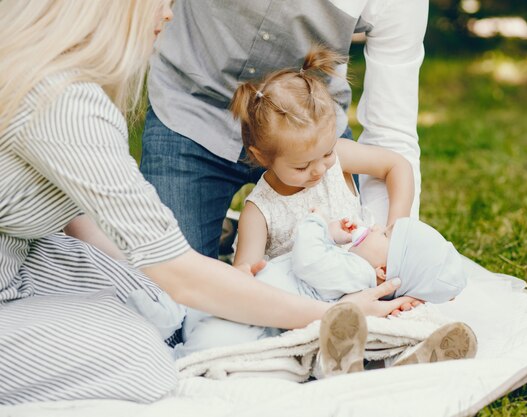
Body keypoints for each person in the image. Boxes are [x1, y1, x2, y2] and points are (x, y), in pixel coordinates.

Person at [0, 0, 413, 405]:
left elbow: (83, 218)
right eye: (158, 1)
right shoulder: (68, 106)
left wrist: (158, 269)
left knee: (162, 306)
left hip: (19, 258)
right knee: (147, 359)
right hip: (14, 272)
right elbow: (181, 274)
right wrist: (327, 317)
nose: (170, 11)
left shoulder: (62, 80)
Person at [141, 0, 427, 259]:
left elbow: (391, 134)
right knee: (168, 292)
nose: (318, 170)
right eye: (306, 168)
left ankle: (237, 229)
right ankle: (230, 228)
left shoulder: (327, 155)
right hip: (191, 110)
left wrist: (393, 247)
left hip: (310, 130)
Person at [180, 212, 477, 377]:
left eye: (384, 234)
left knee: (216, 341)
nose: (373, 227)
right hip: (260, 314)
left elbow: (308, 261)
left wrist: (319, 225)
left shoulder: (358, 270)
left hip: (253, 323)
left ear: (384, 270)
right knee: (360, 342)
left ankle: (357, 373)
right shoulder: (359, 278)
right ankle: (389, 374)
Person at [230, 46, 415, 268]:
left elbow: (397, 165)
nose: (319, 170)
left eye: (326, 153)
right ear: (261, 157)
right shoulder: (259, 212)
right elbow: (244, 273)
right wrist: (251, 273)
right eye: (302, 166)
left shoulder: (340, 157)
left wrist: (397, 225)